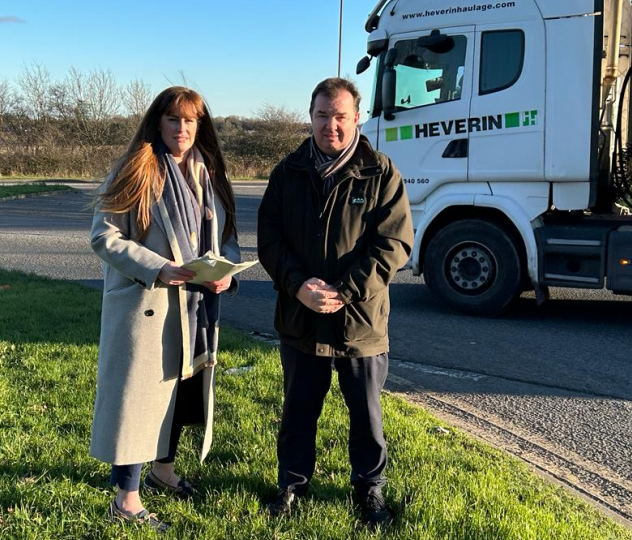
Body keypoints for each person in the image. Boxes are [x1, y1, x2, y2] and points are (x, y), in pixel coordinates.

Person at [257, 77, 413, 527]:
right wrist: (298, 285)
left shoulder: (381, 172)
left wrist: (344, 290)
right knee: (298, 409)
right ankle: (291, 484)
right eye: (322, 116)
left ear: (356, 118)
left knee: (366, 414)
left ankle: (370, 489)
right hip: (300, 316)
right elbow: (270, 240)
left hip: (360, 321)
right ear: (311, 117)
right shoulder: (288, 172)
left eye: (340, 116)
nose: (331, 125)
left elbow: (394, 244)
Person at [90, 86, 239, 530]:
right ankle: (126, 499)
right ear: (158, 122)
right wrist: (158, 268)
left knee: (181, 393)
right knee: (139, 401)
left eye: (191, 121)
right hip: (147, 306)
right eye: (174, 119)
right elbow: (104, 236)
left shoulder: (207, 172)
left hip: (195, 307)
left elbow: (225, 235)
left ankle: (163, 470)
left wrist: (226, 270)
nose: (182, 129)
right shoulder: (137, 169)